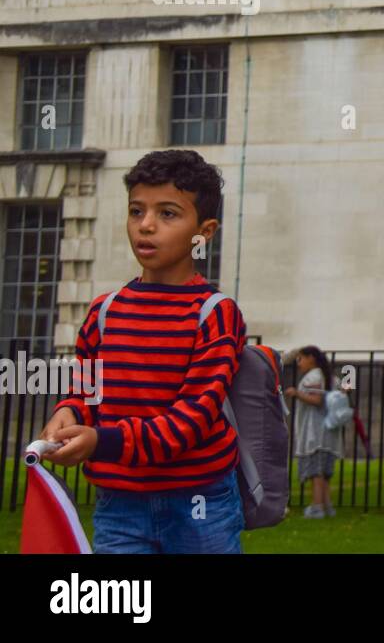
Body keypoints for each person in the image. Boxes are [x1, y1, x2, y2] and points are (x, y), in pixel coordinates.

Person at [38, 150, 248, 554]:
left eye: (168, 214)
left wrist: (101, 441)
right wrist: (69, 411)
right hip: (119, 504)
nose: (146, 225)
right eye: (136, 211)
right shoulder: (105, 311)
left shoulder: (214, 314)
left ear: (203, 232)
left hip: (199, 502)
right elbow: (87, 392)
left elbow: (192, 419)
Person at [284, 346, 343, 519]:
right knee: (324, 472)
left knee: (316, 471)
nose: (299, 363)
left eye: (301, 359)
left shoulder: (314, 376)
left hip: (315, 432)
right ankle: (326, 505)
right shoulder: (330, 377)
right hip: (327, 432)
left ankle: (317, 506)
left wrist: (296, 393)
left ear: (312, 358)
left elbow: (317, 399)